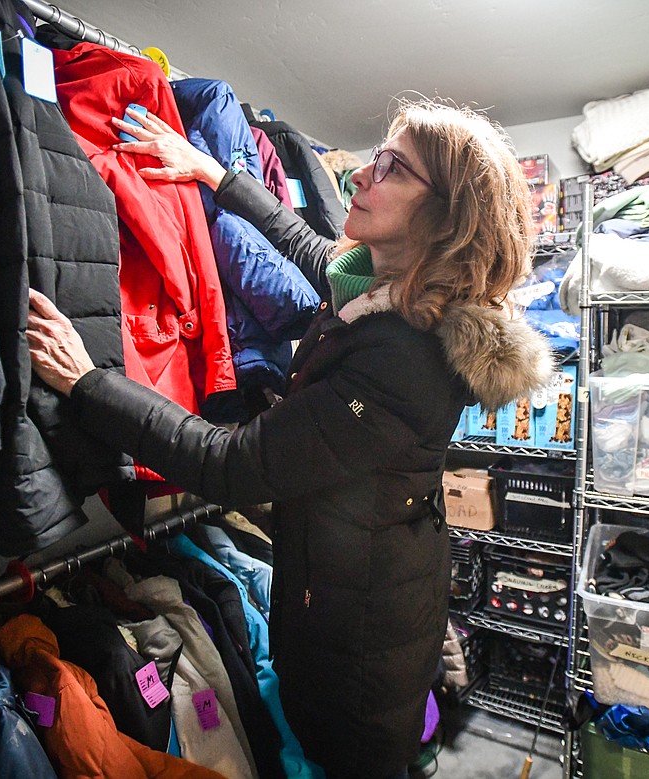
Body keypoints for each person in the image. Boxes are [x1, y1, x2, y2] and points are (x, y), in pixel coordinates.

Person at [27, 98, 555, 779]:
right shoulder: (401, 286)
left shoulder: (404, 359)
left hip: (364, 641)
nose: (359, 177)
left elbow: (228, 463)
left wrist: (87, 380)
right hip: (365, 577)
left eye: (392, 168)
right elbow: (312, 252)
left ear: (444, 216)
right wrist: (215, 175)